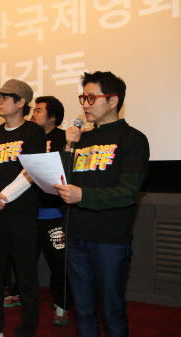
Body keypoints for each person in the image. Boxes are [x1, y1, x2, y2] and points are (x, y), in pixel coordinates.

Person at [54, 71, 149, 337]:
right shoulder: (80, 138)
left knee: (112, 311)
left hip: (109, 240)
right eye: (83, 97)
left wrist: (83, 195)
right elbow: (61, 181)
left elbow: (128, 192)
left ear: (113, 101)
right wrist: (67, 148)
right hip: (76, 237)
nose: (85, 104)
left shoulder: (132, 139)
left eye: (92, 98)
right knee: (82, 311)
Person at [0, 79, 45, 337]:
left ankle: (27, 331)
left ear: (21, 102)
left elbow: (30, 173)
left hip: (21, 216)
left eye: (6, 97)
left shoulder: (33, 132)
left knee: (26, 278)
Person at [8, 96, 73, 324]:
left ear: (53, 117)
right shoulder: (27, 135)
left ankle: (62, 304)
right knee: (23, 258)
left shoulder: (64, 138)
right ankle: (17, 292)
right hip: (27, 210)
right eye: (32, 110)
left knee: (59, 261)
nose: (33, 114)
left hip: (53, 211)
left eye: (38, 110)